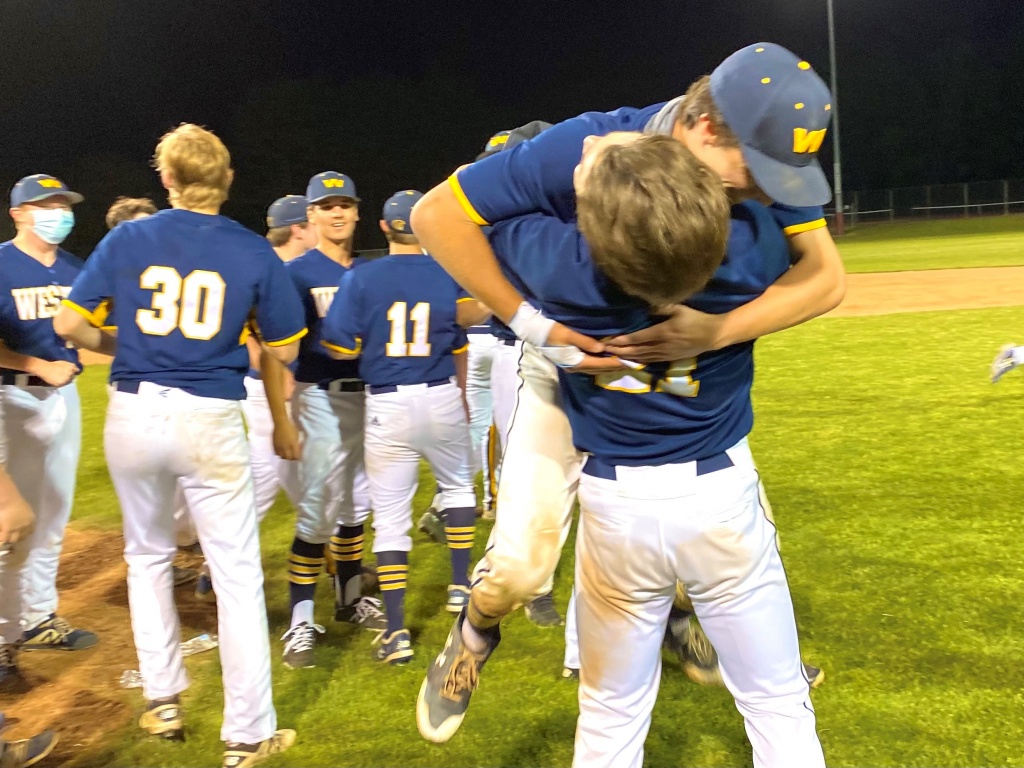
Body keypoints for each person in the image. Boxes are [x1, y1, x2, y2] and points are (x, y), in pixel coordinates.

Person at [414, 43, 843, 755]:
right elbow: (436, 216)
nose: (775, 193)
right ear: (705, 127)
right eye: (762, 171)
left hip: (680, 370)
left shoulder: (740, 172)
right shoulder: (581, 145)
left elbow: (829, 278)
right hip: (563, 366)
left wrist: (715, 330)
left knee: (716, 519)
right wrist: (535, 326)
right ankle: (476, 627)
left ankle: (704, 627)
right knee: (522, 566)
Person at [54, 123, 300, 768]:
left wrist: (122, 347)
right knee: (237, 572)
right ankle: (247, 733)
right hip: (210, 415)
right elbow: (285, 347)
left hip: (135, 411)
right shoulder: (251, 249)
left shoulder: (130, 235)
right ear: (226, 181)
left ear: (167, 180)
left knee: (146, 557)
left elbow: (68, 323)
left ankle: (163, 698)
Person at [321, 190, 488, 665]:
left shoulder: (362, 277)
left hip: (387, 405)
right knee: (457, 487)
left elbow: (338, 347)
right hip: (438, 394)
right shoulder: (446, 272)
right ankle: (459, 586)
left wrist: (370, 343)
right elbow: (473, 313)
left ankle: (396, 633)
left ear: (383, 227)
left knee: (390, 518)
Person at [265, 172, 385, 671]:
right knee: (316, 508)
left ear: (357, 212)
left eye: (344, 205)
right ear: (310, 216)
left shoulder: (370, 272)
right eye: (326, 206)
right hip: (319, 397)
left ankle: (350, 596)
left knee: (358, 504)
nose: (337, 213)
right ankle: (300, 619)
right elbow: (277, 353)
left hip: (370, 399)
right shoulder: (295, 272)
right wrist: (282, 420)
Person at [0, 174, 97, 654]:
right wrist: (35, 364)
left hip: (64, 399)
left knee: (54, 512)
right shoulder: (0, 264)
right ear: (17, 212)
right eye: (45, 204)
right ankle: (4, 632)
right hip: (11, 400)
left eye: (63, 203)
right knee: (8, 519)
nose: (57, 211)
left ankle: (37, 618)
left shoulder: (77, 269)